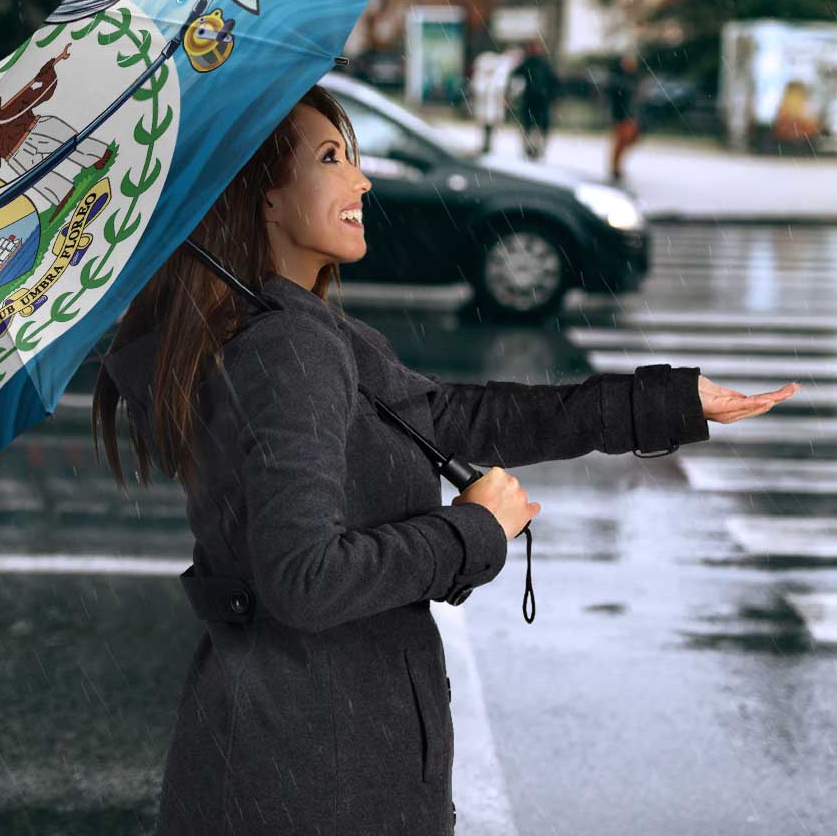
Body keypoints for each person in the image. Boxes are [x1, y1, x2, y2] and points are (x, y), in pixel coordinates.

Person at [93, 84, 796, 836]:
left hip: (298, 753)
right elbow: (304, 580)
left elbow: (459, 417)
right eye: (331, 159)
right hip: (315, 775)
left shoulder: (294, 330)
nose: (361, 180)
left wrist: (666, 402)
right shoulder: (287, 349)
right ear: (262, 199)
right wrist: (472, 531)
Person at [509, 38, 559, 161]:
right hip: (532, 100)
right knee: (530, 126)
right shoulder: (529, 63)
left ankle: (536, 149)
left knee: (537, 127)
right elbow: (515, 76)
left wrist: (552, 96)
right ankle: (530, 149)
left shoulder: (542, 64)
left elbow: (553, 82)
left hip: (540, 100)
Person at [607, 51, 643, 182]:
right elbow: (616, 98)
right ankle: (615, 167)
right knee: (621, 141)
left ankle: (616, 166)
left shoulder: (634, 78)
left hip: (631, 115)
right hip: (622, 115)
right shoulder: (619, 79)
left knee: (629, 140)